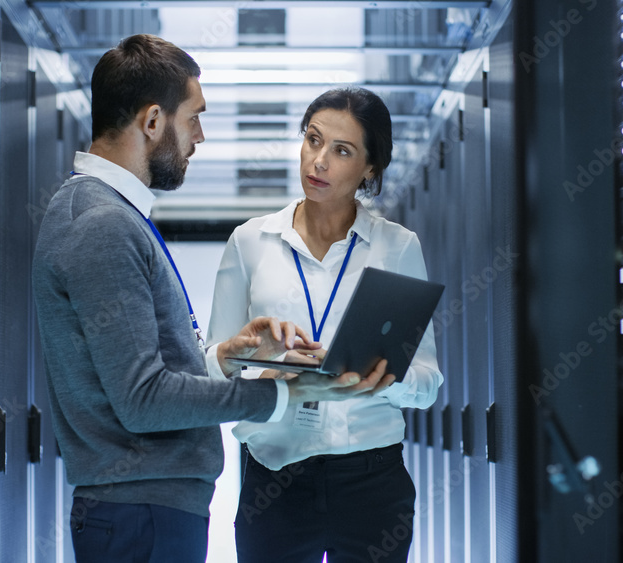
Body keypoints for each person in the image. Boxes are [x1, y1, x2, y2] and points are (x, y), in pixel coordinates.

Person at [31, 36, 394, 563]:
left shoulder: (106, 213)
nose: (200, 136)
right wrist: (282, 396)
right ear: (153, 122)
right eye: (194, 117)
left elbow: (138, 377)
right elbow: (143, 400)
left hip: (147, 509)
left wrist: (226, 357)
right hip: (143, 513)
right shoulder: (104, 225)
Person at [206, 87, 444, 563]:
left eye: (342, 151)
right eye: (313, 140)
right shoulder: (250, 241)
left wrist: (383, 381)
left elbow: (428, 382)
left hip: (371, 482)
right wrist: (258, 370)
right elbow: (211, 368)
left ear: (370, 168)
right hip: (273, 476)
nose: (318, 161)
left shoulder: (396, 247)